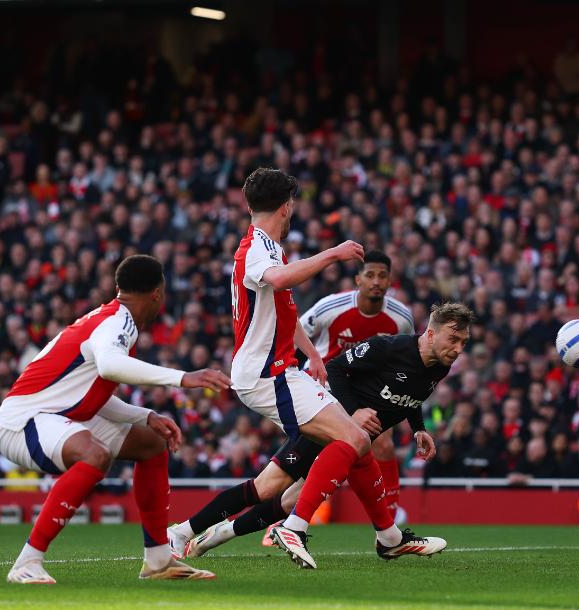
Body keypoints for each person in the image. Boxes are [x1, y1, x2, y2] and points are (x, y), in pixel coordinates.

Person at [168, 167, 441, 570]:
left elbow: (282, 307)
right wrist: (332, 253)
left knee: (297, 471)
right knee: (351, 439)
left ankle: (185, 532)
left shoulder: (269, 247)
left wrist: (312, 354)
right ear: (287, 206)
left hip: (284, 371)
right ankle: (298, 527)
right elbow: (277, 280)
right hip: (266, 375)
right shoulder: (255, 250)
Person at [0, 254, 232, 584]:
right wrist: (182, 377)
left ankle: (159, 560)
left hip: (56, 414)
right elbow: (109, 366)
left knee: (152, 443)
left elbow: (94, 393)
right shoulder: (119, 322)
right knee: (95, 454)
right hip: (24, 421)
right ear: (158, 293)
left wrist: (145, 415)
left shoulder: (111, 318)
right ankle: (26, 562)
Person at [174, 303, 471, 560]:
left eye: (463, 342)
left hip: (349, 442)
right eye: (453, 339)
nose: (458, 349)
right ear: (430, 333)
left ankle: (215, 536)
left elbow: (409, 395)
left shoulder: (439, 364)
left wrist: (418, 428)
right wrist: (353, 411)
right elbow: (337, 368)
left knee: (289, 502)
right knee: (264, 489)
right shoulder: (389, 347)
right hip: (326, 421)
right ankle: (183, 531)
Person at [297, 249, 414, 521]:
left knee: (383, 443)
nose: (376, 281)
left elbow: (405, 358)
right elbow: (296, 331)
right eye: (370, 275)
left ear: (389, 281)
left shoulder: (401, 318)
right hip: (324, 385)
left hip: (368, 390)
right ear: (357, 280)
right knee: (315, 451)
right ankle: (290, 512)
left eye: (382, 276)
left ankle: (390, 513)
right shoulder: (331, 307)